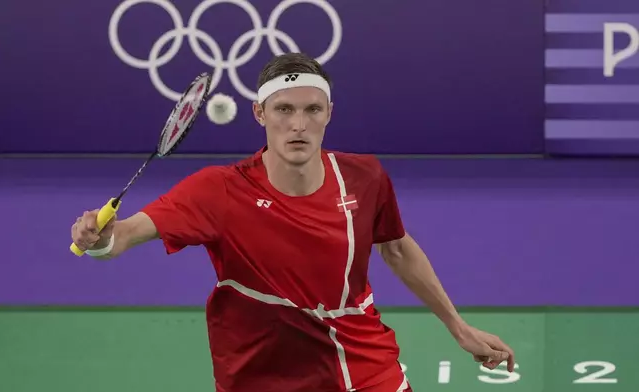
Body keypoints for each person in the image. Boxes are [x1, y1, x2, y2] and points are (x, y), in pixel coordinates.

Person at [71, 53, 515, 392]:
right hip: (261, 370)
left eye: (312, 110)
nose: (298, 125)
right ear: (259, 114)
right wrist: (98, 238)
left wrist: (458, 327)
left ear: (329, 114)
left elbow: (396, 247)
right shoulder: (218, 190)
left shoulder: (364, 176)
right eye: (283, 110)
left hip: (359, 357)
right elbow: (123, 236)